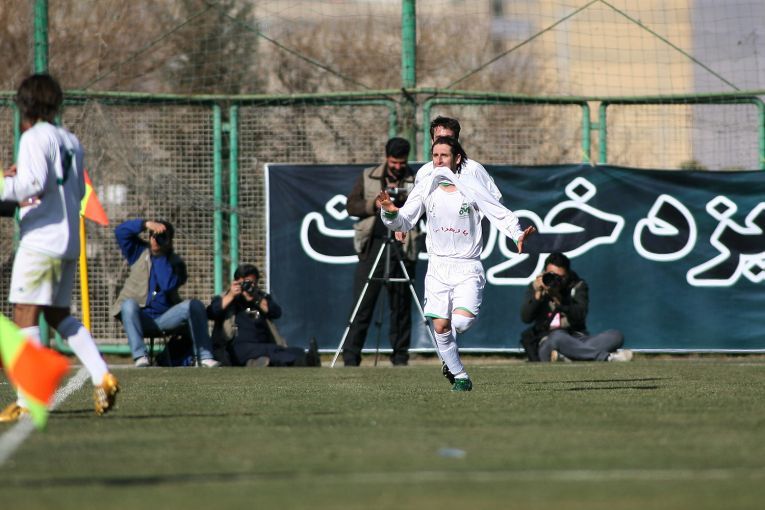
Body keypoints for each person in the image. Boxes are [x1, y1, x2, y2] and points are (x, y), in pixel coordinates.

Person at [0, 73, 119, 422]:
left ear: (25, 105)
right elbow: (77, 190)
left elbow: (32, 183)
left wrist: (5, 183)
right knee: (57, 315)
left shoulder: (34, 136)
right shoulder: (70, 140)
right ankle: (102, 375)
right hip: (68, 241)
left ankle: (27, 399)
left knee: (24, 313)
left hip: (42, 241)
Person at [377, 136, 535, 391]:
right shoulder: (426, 186)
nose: (439, 161)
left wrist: (516, 233)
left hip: (467, 266)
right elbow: (404, 221)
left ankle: (453, 349)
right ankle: (460, 376)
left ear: (456, 158)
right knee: (440, 326)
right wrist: (389, 212)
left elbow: (496, 210)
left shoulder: (470, 184)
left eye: (444, 156)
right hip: (438, 267)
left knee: (460, 323)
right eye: (435, 156)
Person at [342, 137, 420, 366]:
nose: (397, 167)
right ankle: (351, 357)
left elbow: (425, 209)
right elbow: (351, 205)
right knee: (362, 305)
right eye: (394, 162)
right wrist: (374, 205)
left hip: (403, 246)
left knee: (401, 305)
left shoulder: (415, 179)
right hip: (373, 245)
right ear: (386, 158)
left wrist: (404, 202)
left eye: (402, 163)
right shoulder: (369, 176)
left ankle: (400, 357)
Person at [111, 218, 220, 367]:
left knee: (194, 305)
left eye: (162, 237)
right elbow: (120, 232)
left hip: (166, 319)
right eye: (153, 235)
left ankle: (204, 357)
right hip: (140, 317)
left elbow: (167, 285)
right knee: (128, 304)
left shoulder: (176, 263)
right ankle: (140, 357)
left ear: (170, 240)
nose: (156, 239)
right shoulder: (138, 252)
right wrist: (145, 224)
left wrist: (159, 255)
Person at [520, 252, 632, 362]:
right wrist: (538, 295)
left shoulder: (577, 286)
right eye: (552, 275)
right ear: (545, 272)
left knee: (615, 336)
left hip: (576, 338)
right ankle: (607, 357)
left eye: (561, 277)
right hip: (548, 340)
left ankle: (566, 357)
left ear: (568, 274)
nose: (556, 281)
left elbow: (580, 315)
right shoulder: (537, 286)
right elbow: (526, 318)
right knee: (558, 337)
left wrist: (559, 300)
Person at [207, 264, 320, 367]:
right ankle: (304, 361)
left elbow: (276, 312)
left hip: (263, 345)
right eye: (244, 283)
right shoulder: (226, 298)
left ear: (256, 283)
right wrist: (231, 295)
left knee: (294, 351)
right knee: (273, 351)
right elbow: (211, 312)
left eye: (251, 283)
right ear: (236, 282)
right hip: (237, 347)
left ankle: (258, 363)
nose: (248, 287)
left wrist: (256, 299)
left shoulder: (261, 298)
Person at [415, 116, 502, 202]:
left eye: (448, 139)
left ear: (456, 141)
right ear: (432, 141)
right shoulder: (423, 173)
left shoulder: (473, 169)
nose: (443, 143)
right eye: (439, 139)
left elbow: (496, 200)